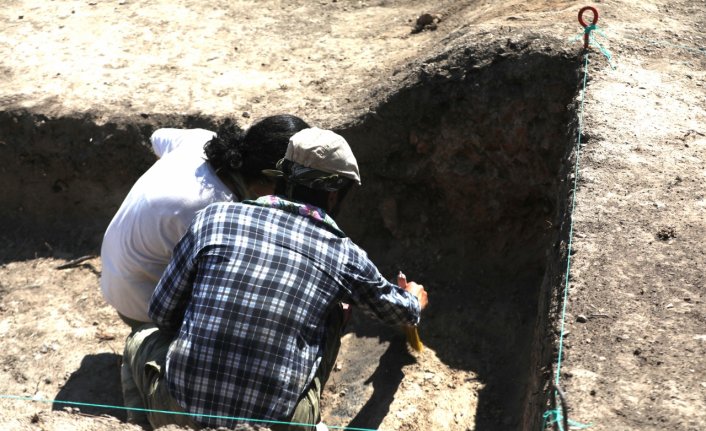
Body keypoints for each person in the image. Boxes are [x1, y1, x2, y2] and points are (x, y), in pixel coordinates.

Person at [122, 128, 429, 430]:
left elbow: (161, 312)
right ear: (334, 195)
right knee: (334, 310)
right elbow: (402, 312)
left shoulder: (214, 218)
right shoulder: (344, 254)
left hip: (177, 411)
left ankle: (142, 425)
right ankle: (312, 418)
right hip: (278, 426)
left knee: (139, 338)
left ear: (283, 175)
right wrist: (414, 296)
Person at [100, 115, 310, 326]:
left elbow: (157, 137)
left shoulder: (201, 140)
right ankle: (150, 345)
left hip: (114, 275)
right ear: (268, 178)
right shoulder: (218, 213)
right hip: (141, 306)